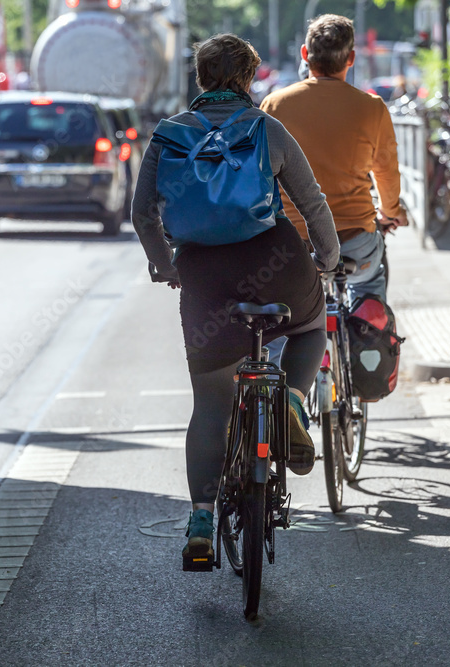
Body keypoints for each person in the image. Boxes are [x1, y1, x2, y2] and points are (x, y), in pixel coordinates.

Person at [131, 33, 339, 569]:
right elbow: (311, 205)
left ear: (200, 77)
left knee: (211, 403)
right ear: (248, 78)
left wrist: (165, 265)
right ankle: (291, 399)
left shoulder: (169, 134)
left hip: (204, 275)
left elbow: (142, 213)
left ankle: (201, 520)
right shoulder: (267, 128)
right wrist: (329, 259)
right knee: (312, 325)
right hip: (276, 264)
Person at [260, 14, 408, 303]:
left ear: (305, 54)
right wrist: (391, 212)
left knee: (286, 316)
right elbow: (387, 175)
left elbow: (261, 178)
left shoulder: (275, 104)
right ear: (350, 58)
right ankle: (368, 339)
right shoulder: (372, 107)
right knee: (369, 283)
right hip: (355, 242)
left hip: (295, 245)